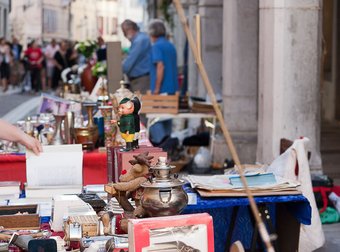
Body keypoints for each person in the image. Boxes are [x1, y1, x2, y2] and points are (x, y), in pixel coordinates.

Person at [147, 19, 179, 145]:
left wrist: (156, 89)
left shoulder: (156, 46)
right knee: (167, 123)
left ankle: (164, 149)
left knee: (156, 122)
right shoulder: (171, 46)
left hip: (161, 90)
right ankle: (169, 151)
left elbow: (160, 66)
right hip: (172, 89)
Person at [121, 19, 151, 93]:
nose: (124, 35)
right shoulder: (140, 38)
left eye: (124, 32)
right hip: (140, 80)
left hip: (141, 80)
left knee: (140, 103)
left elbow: (127, 65)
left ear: (130, 29)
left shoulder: (139, 40)